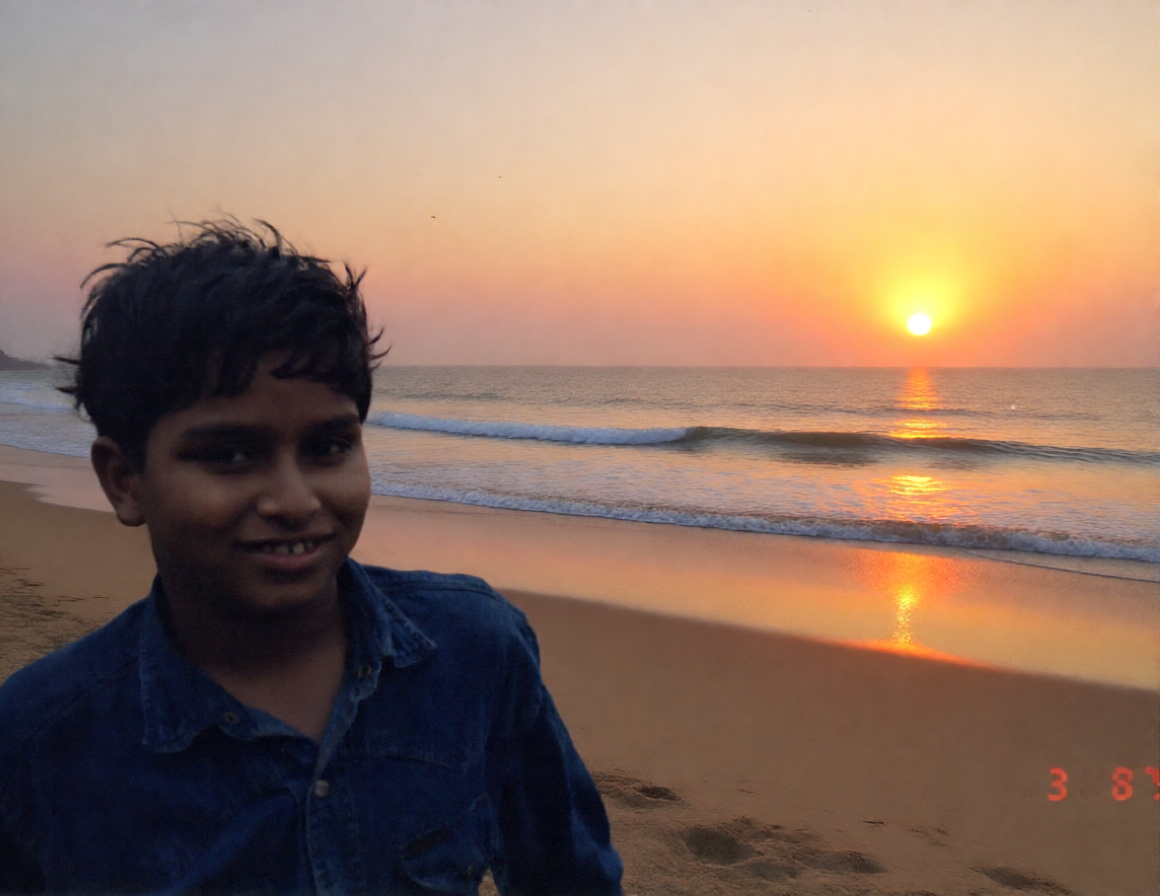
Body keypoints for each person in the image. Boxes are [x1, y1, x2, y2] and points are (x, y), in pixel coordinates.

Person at [0, 220, 623, 894]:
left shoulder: (474, 650)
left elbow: (569, 875)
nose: (295, 501)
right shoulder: (40, 741)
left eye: (328, 447)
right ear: (125, 481)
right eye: (230, 455)